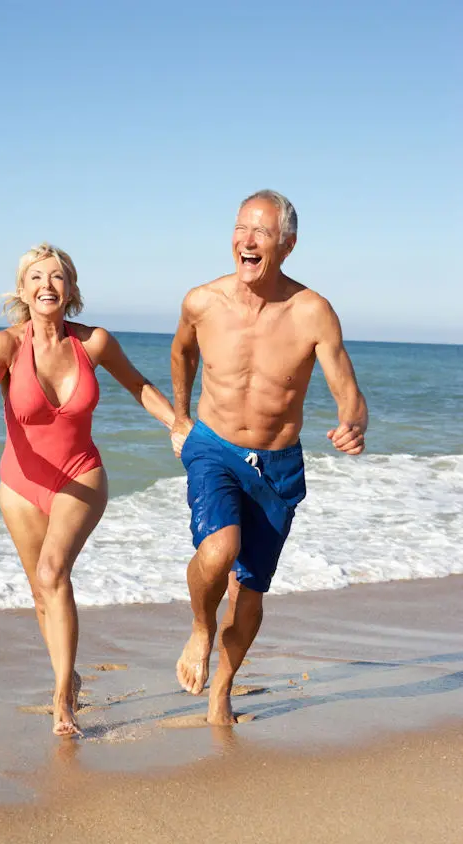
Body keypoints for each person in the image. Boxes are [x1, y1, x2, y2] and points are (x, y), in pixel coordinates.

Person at [0, 243, 177, 737]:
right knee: (42, 589)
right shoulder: (5, 346)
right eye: (36, 278)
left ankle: (62, 699)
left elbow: (139, 385)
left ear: (71, 289)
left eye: (57, 277)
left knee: (54, 570)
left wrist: (178, 424)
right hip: (19, 483)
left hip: (79, 474)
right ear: (23, 291)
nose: (47, 286)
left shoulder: (93, 342)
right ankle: (68, 673)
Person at [170, 190, 368, 726]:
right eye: (240, 228)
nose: (247, 240)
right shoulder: (202, 301)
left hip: (277, 464)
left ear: (287, 244)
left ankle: (221, 694)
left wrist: (353, 421)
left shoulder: (312, 312)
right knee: (218, 549)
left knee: (251, 591)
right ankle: (200, 628)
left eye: (260, 231)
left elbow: (346, 387)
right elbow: (182, 350)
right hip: (213, 446)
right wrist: (181, 416)